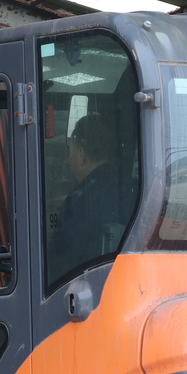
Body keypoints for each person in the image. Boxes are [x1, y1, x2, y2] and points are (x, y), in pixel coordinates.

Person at [50, 113, 134, 284]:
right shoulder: (135, 188)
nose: (70, 158)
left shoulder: (79, 201)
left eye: (71, 152)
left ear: (81, 155)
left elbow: (60, 266)